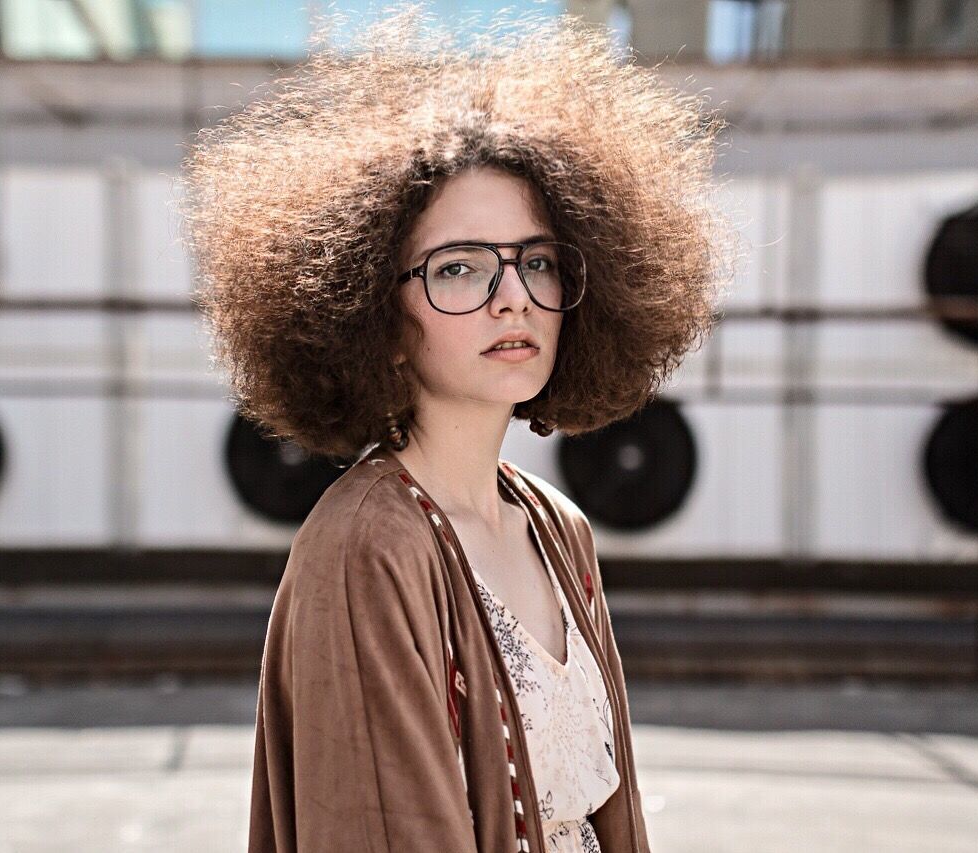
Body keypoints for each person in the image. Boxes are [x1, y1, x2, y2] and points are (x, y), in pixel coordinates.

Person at [178, 5, 733, 851]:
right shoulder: (367, 547)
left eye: (537, 260)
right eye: (460, 267)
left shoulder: (557, 527)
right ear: (375, 315)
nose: (512, 296)